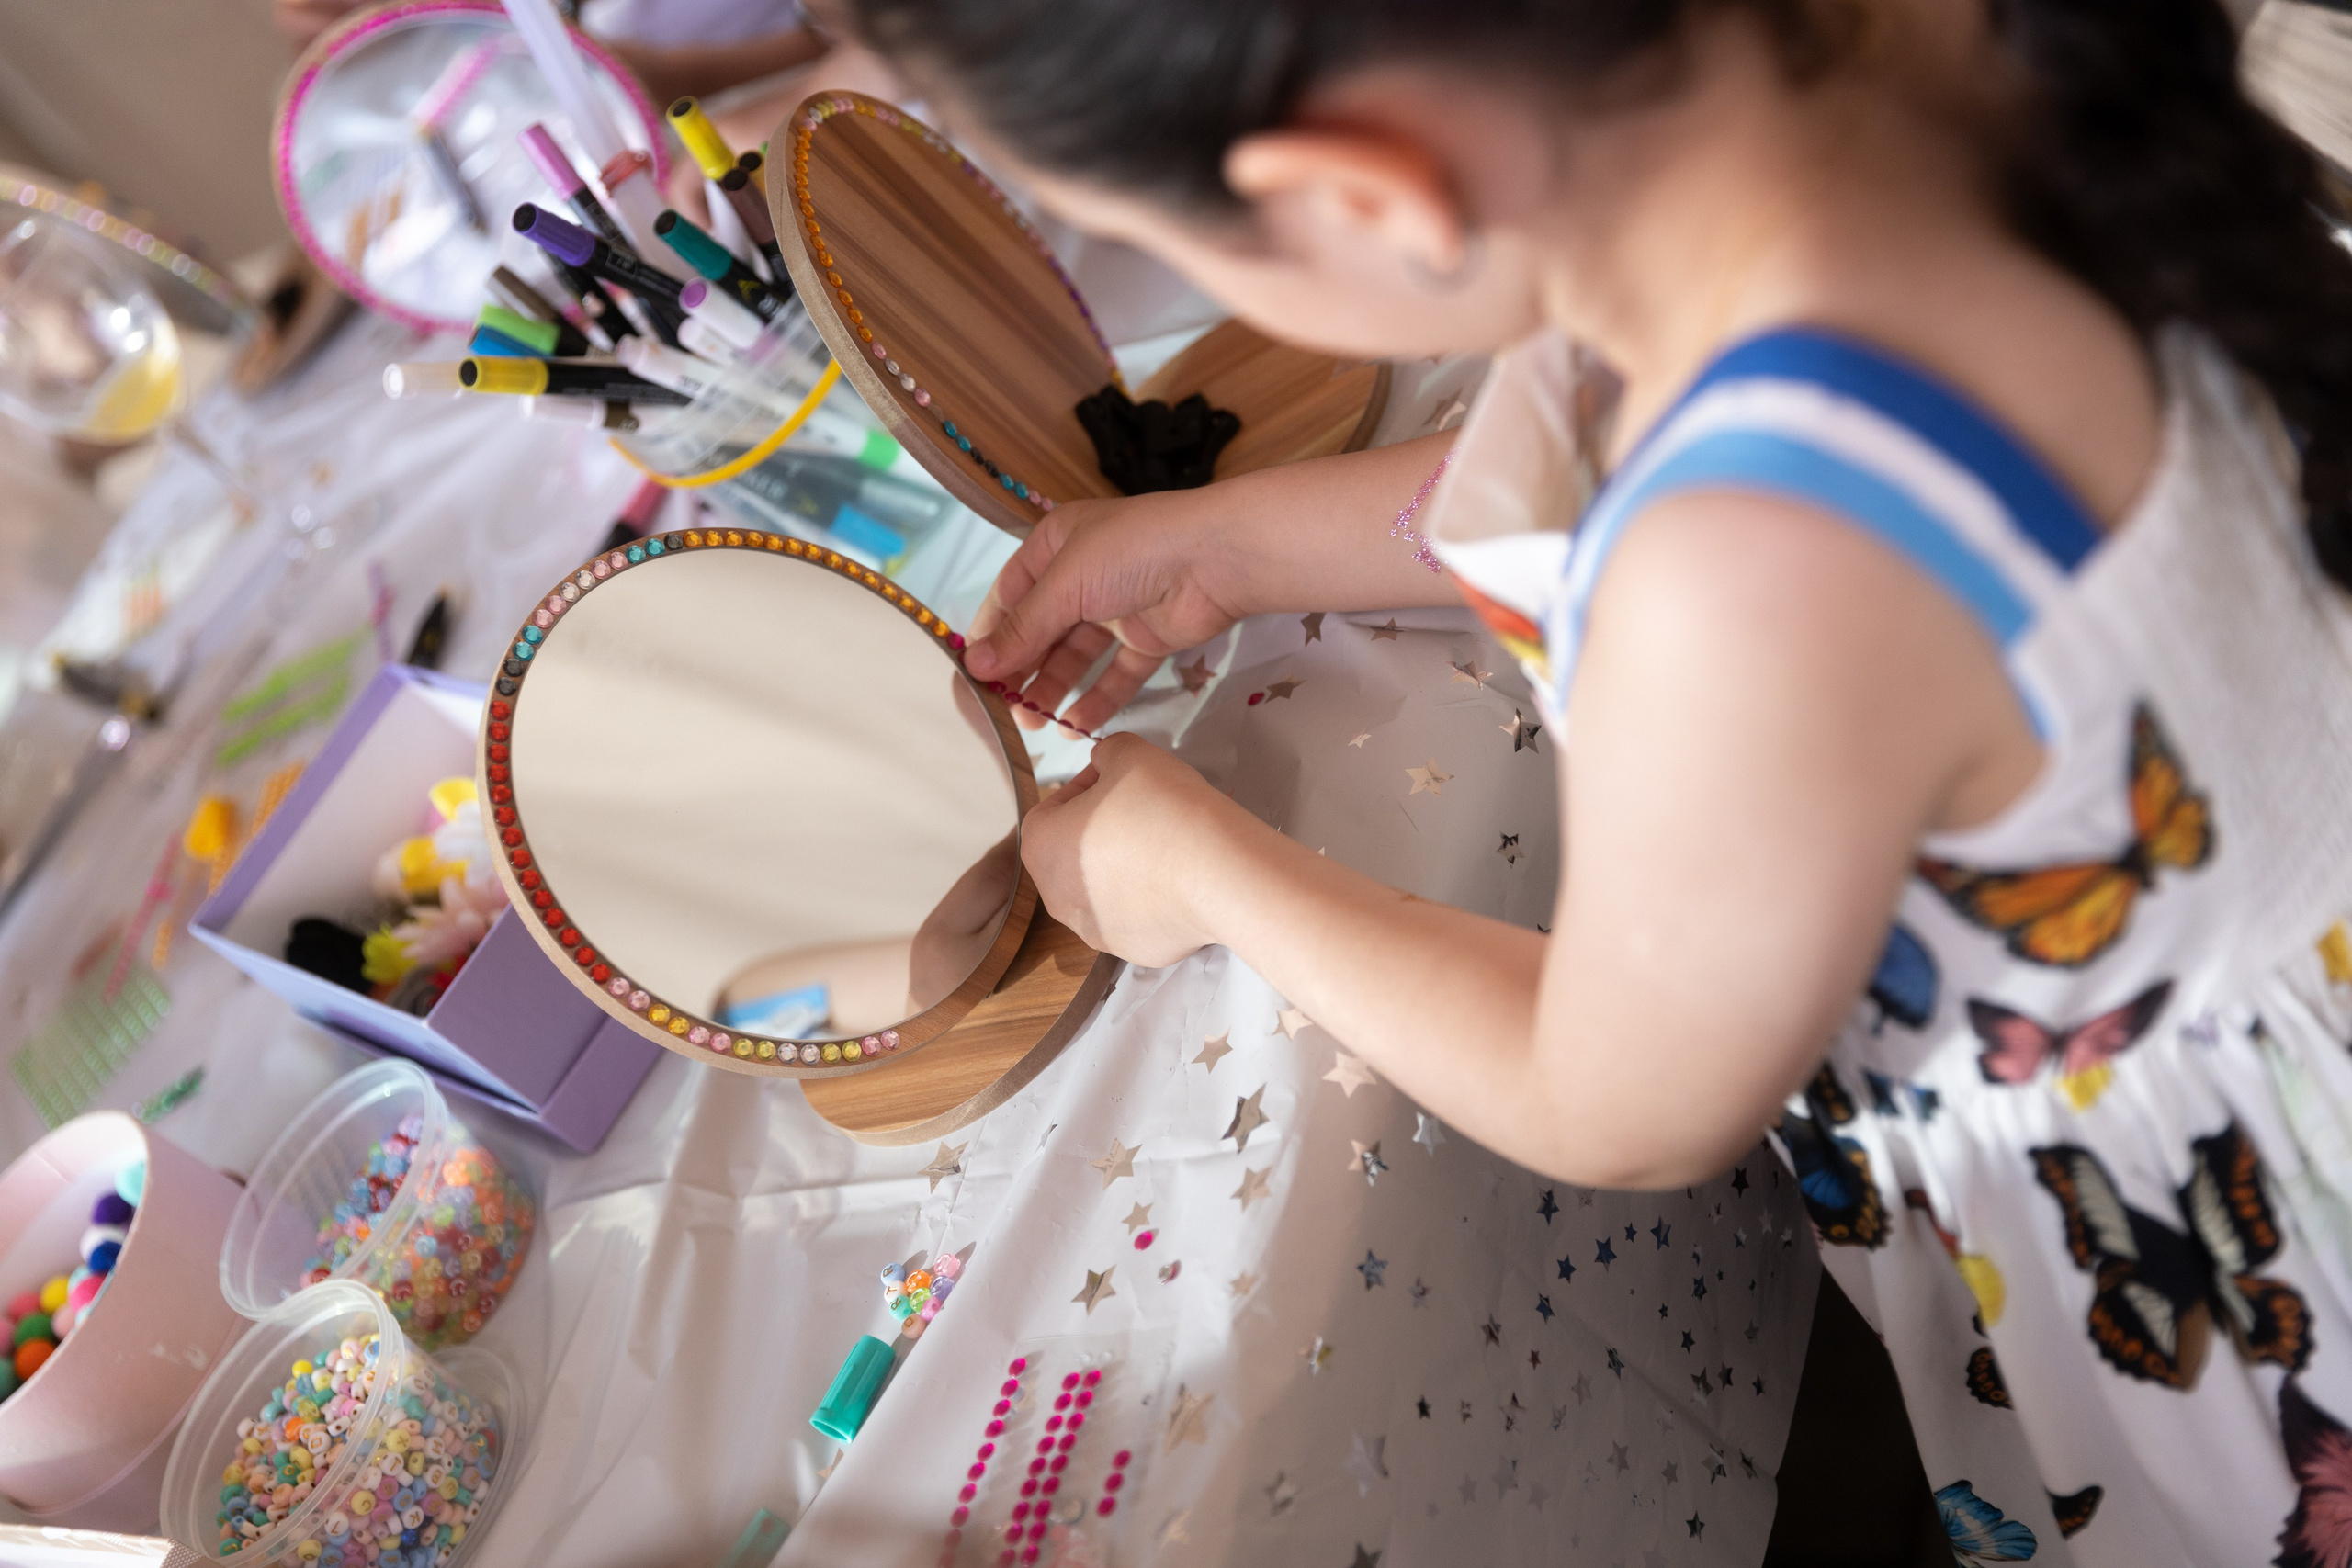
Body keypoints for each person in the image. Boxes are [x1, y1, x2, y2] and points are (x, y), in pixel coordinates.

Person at [828, 0, 2352, 1558]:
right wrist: (1236, 545)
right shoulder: (1884, 74)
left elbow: (1616, 1095)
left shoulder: (1752, 560)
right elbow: (1636, 458)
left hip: (2236, 1242)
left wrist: (1201, 870)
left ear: (1362, 192)